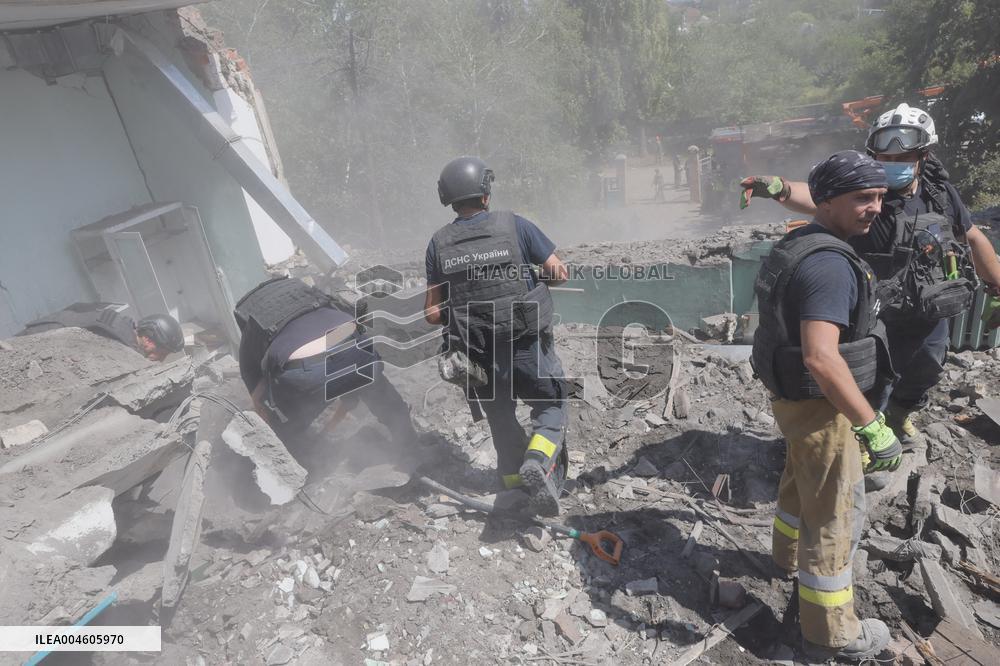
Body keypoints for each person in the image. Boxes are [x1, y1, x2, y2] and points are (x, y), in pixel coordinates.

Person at [741, 103, 1000, 449]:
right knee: (870, 379)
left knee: (928, 365)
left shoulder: (940, 194)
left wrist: (997, 284)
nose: (891, 166)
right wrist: (781, 188)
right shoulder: (866, 195)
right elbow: (820, 197)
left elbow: (972, 238)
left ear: (923, 154)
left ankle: (898, 414)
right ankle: (864, 438)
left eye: (902, 157)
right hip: (875, 313)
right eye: (884, 158)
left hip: (926, 306)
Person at [751, 151, 899, 661]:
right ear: (826, 201)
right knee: (834, 517)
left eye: (880, 196)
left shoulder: (799, 241)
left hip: (793, 404)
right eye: (864, 198)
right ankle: (833, 637)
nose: (876, 207)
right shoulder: (830, 267)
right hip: (820, 407)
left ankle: (783, 560)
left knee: (800, 481)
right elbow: (821, 356)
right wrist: (872, 424)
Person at [423, 156, 570, 516]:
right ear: (485, 193)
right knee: (551, 404)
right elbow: (559, 273)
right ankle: (538, 460)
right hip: (526, 344)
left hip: (477, 355)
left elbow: (431, 313)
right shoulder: (515, 225)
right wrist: (532, 282)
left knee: (500, 417)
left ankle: (514, 491)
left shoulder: (438, 244)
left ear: (449, 199)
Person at [234, 276, 418, 448]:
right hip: (355, 344)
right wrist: (328, 428)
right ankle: (410, 446)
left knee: (286, 423)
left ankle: (297, 460)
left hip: (305, 372)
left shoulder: (252, 329)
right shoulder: (316, 298)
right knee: (378, 392)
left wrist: (272, 428)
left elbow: (258, 399)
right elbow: (349, 382)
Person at [17, 302, 184, 361]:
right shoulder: (120, 345)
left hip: (40, 329)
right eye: (163, 353)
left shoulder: (121, 324)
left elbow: (76, 307)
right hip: (33, 342)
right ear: (149, 341)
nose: (161, 360)